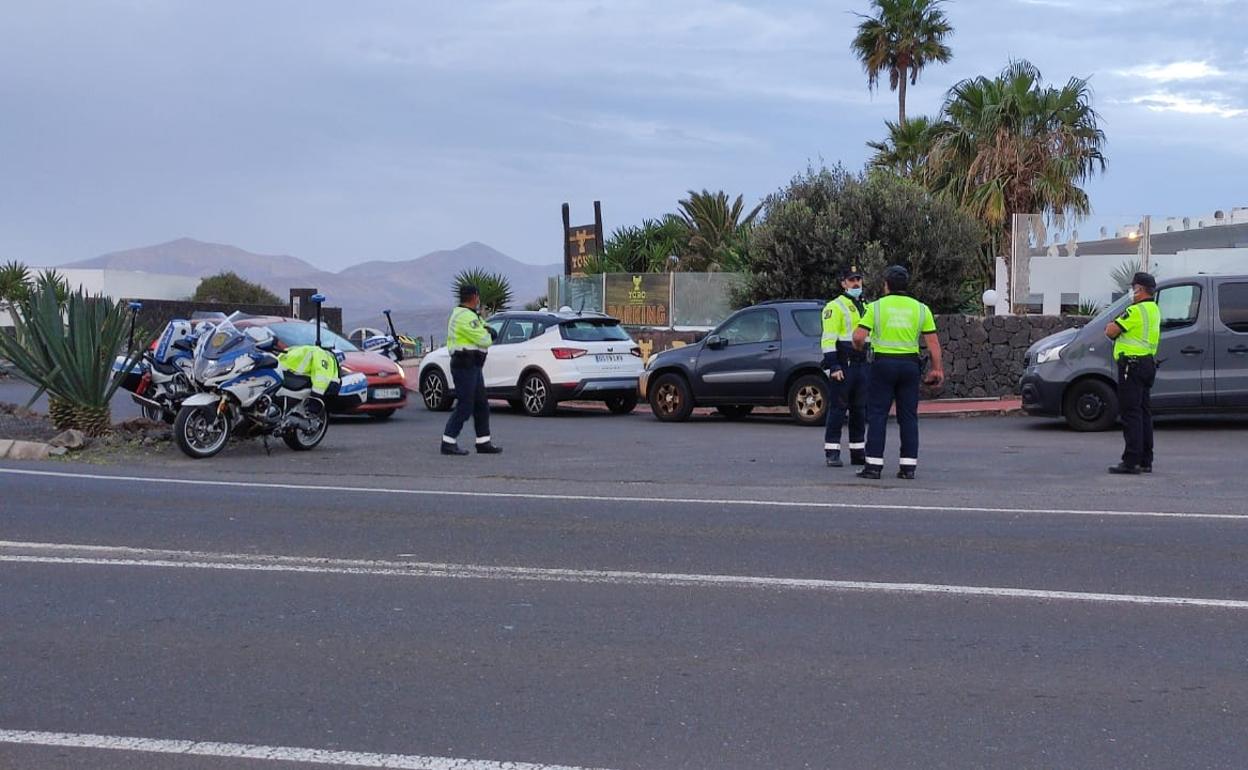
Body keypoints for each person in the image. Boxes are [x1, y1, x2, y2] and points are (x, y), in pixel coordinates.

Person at [852, 265, 944, 480]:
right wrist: (937, 369)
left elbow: (858, 337)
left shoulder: (876, 307)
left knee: (877, 414)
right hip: (910, 366)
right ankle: (908, 467)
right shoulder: (921, 309)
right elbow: (933, 344)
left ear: (886, 285)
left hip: (882, 365)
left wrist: (860, 349)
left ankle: (873, 466)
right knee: (908, 416)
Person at [1105, 272, 1160, 474]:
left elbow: (1111, 331)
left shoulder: (1135, 311)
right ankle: (1146, 459)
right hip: (1147, 364)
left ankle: (1131, 460)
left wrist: (1111, 326)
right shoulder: (1154, 309)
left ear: (1140, 289)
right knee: (1144, 413)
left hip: (1132, 366)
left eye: (1133, 288)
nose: (1132, 292)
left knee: (1131, 413)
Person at [440, 285, 502, 456]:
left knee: (481, 404)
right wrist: (488, 334)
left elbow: (488, 330)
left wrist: (488, 332)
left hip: (473, 365)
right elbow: (485, 338)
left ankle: (483, 442)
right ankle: (448, 441)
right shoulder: (464, 316)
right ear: (475, 297)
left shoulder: (471, 315)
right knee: (465, 405)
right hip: (464, 364)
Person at [820, 265, 870, 467]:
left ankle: (858, 452)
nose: (856, 283)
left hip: (862, 364)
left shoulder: (866, 305)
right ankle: (832, 452)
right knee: (838, 409)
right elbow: (828, 339)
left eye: (858, 279)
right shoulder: (834, 307)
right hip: (844, 364)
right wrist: (833, 365)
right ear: (843, 284)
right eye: (851, 280)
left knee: (859, 410)